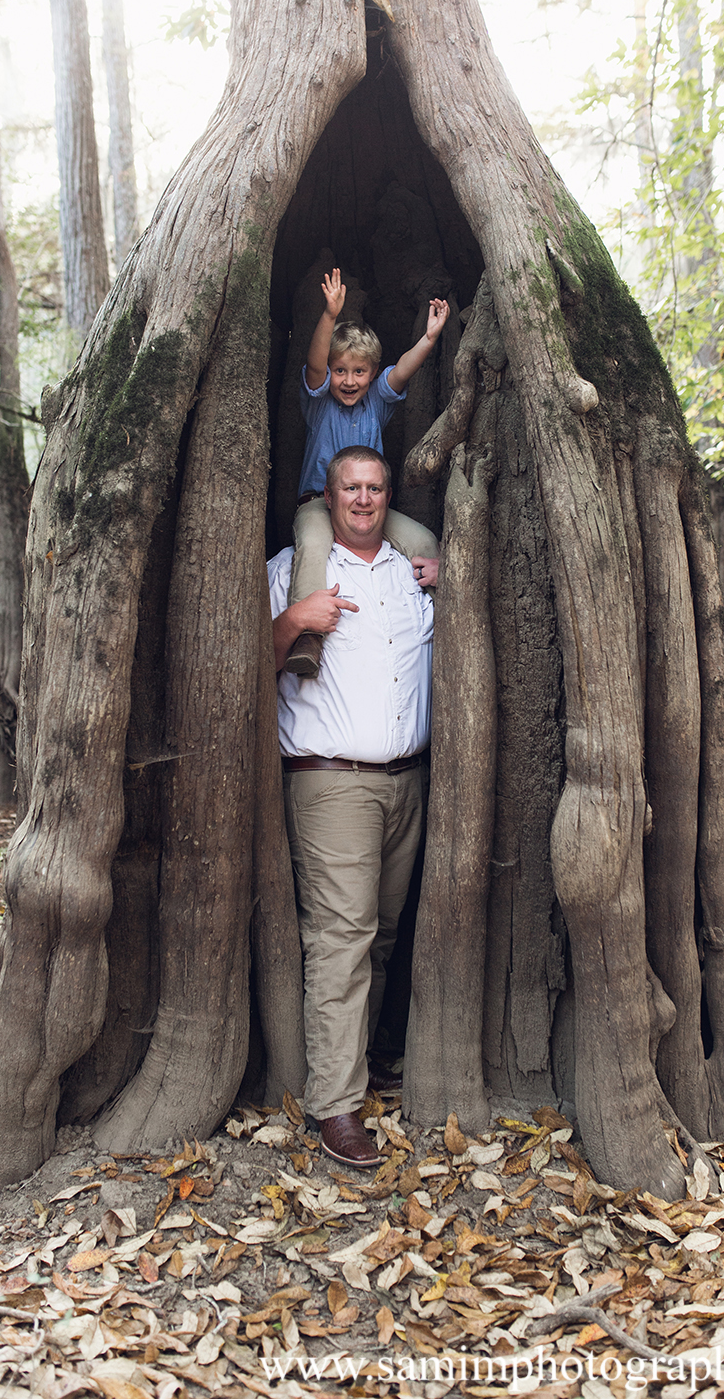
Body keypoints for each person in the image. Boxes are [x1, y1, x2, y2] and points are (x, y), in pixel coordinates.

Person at [269, 445, 439, 1168]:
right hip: (331, 781)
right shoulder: (294, 570)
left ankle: (361, 1065)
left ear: (388, 495)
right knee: (342, 938)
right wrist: (292, 622)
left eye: (374, 488)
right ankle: (336, 1105)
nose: (363, 500)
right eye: (351, 488)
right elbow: (234, 657)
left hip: (410, 780)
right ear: (329, 497)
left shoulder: (415, 574)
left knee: (385, 936)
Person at [285, 267, 448, 678]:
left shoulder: (377, 400)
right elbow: (316, 364)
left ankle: (442, 615)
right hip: (320, 505)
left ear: (372, 373)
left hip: (367, 506)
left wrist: (428, 339)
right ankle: (307, 637)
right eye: (341, 370)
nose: (349, 380)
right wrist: (329, 315)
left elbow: (403, 370)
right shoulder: (320, 401)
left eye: (359, 371)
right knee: (312, 545)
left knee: (424, 540)